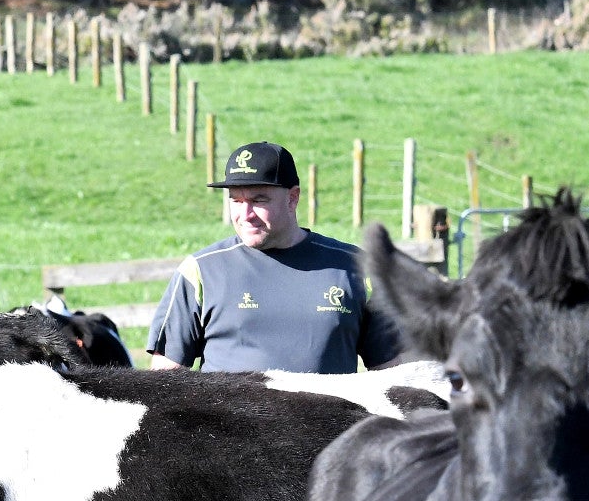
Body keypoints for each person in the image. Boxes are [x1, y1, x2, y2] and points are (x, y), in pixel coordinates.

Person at [147, 140, 400, 373]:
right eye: (236, 201)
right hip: (231, 424)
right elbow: (166, 375)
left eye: (258, 200)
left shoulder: (357, 268)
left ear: (293, 198)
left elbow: (393, 373)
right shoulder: (200, 271)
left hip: (332, 423)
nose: (245, 214)